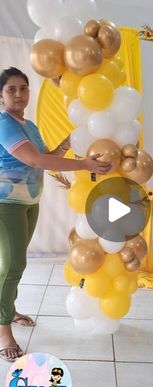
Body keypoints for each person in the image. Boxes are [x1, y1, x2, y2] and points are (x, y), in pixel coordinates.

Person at [0, 67, 111, 362]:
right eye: (11, 89)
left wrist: (67, 143)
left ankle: (8, 310)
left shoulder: (29, 125)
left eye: (23, 88)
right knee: (13, 265)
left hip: (29, 202)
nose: (19, 94)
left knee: (12, 265)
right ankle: (3, 330)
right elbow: (34, 159)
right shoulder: (3, 123)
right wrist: (85, 165)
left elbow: (45, 155)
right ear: (1, 95)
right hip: (5, 204)